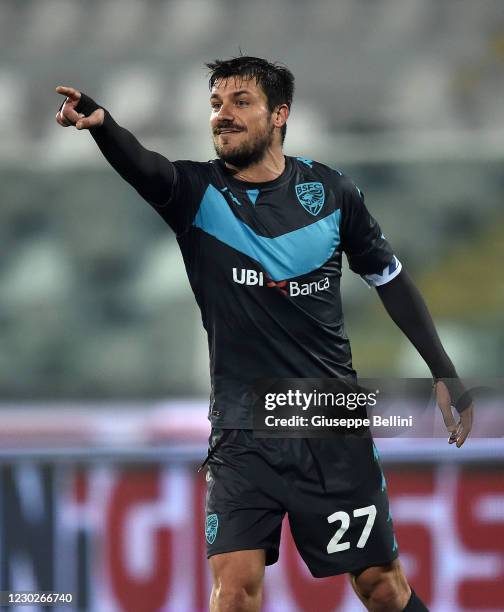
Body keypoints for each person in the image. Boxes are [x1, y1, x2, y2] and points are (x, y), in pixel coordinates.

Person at [56, 56, 472, 612]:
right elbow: (146, 167)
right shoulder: (195, 194)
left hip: (329, 422)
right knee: (234, 593)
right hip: (241, 430)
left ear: (279, 114)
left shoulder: (331, 193)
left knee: (380, 587)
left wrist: (443, 370)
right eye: (215, 105)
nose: (222, 116)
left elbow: (390, 280)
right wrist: (104, 126)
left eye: (239, 102)